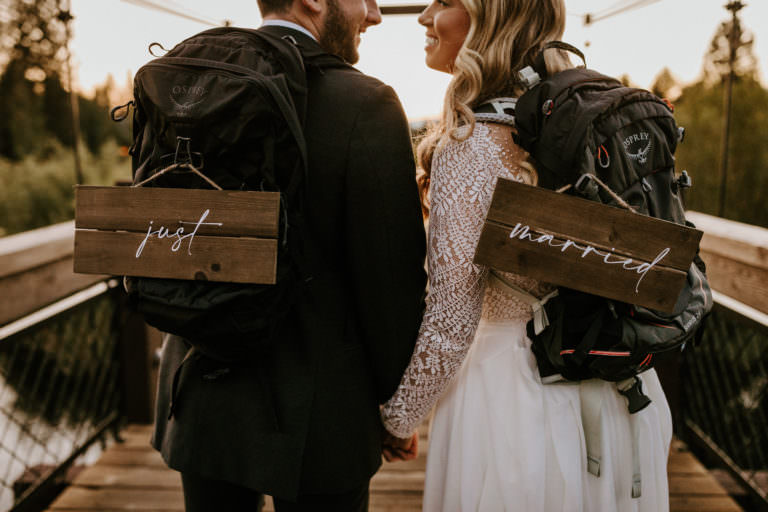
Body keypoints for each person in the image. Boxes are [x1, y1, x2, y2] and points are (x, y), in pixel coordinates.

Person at [379, 0, 673, 510]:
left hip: (516, 403)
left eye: (444, 1)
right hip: (619, 395)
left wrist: (398, 418)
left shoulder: (473, 144)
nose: (424, 17)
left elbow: (452, 316)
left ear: (490, 17)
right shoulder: (590, 126)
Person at [150, 0, 427, 510]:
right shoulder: (366, 103)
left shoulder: (188, 84)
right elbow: (390, 284)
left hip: (200, 389)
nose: (375, 14)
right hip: (320, 413)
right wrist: (395, 410)